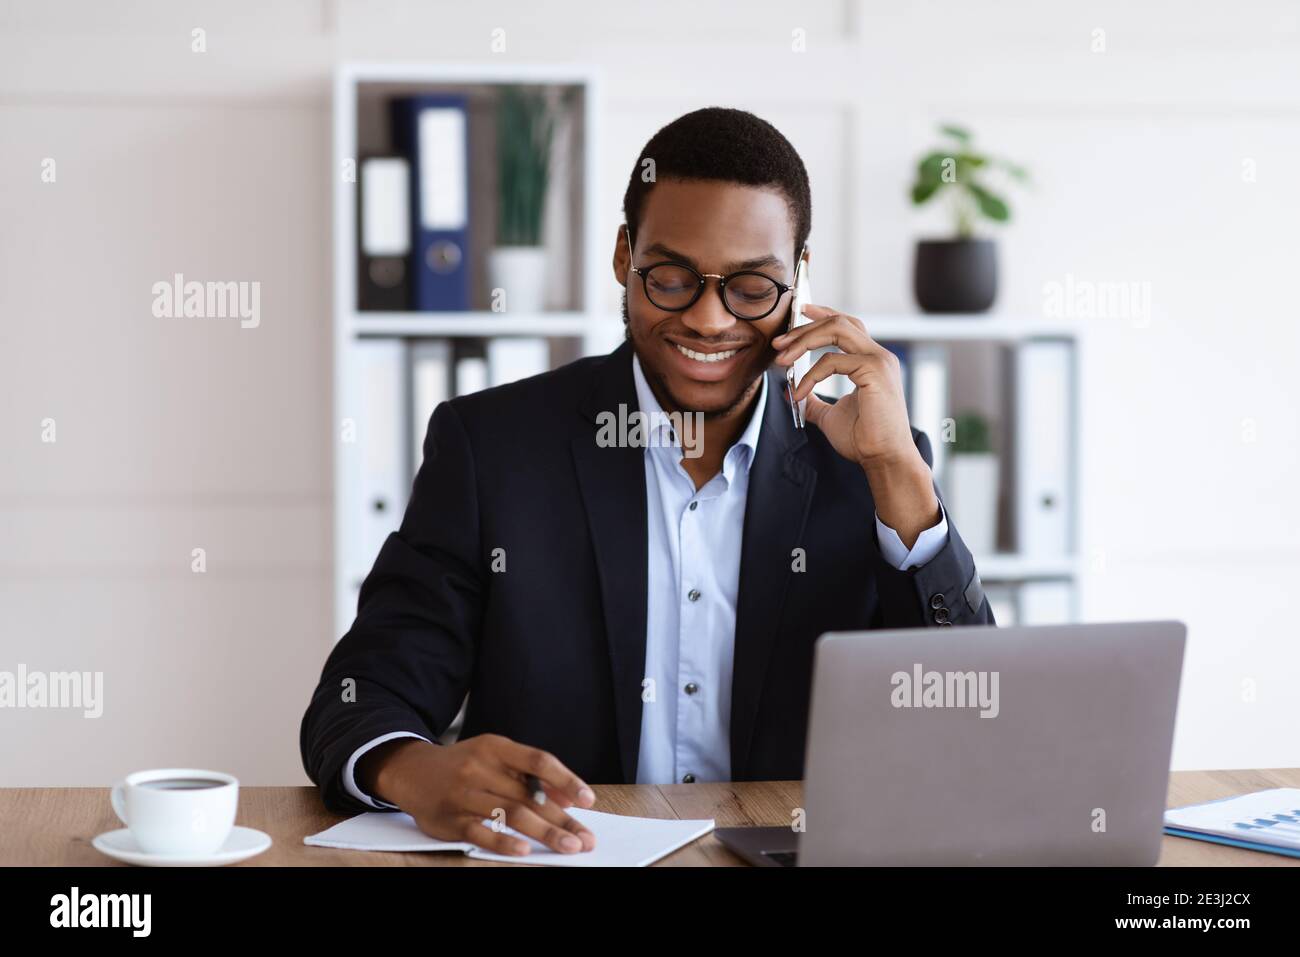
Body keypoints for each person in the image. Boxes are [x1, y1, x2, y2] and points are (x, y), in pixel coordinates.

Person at [301, 107, 994, 857]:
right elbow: (360, 695)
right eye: (670, 277)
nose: (707, 317)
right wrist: (413, 768)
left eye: (753, 287)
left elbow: (968, 722)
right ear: (623, 256)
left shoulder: (871, 463)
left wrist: (898, 472)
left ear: (798, 279)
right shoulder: (493, 449)